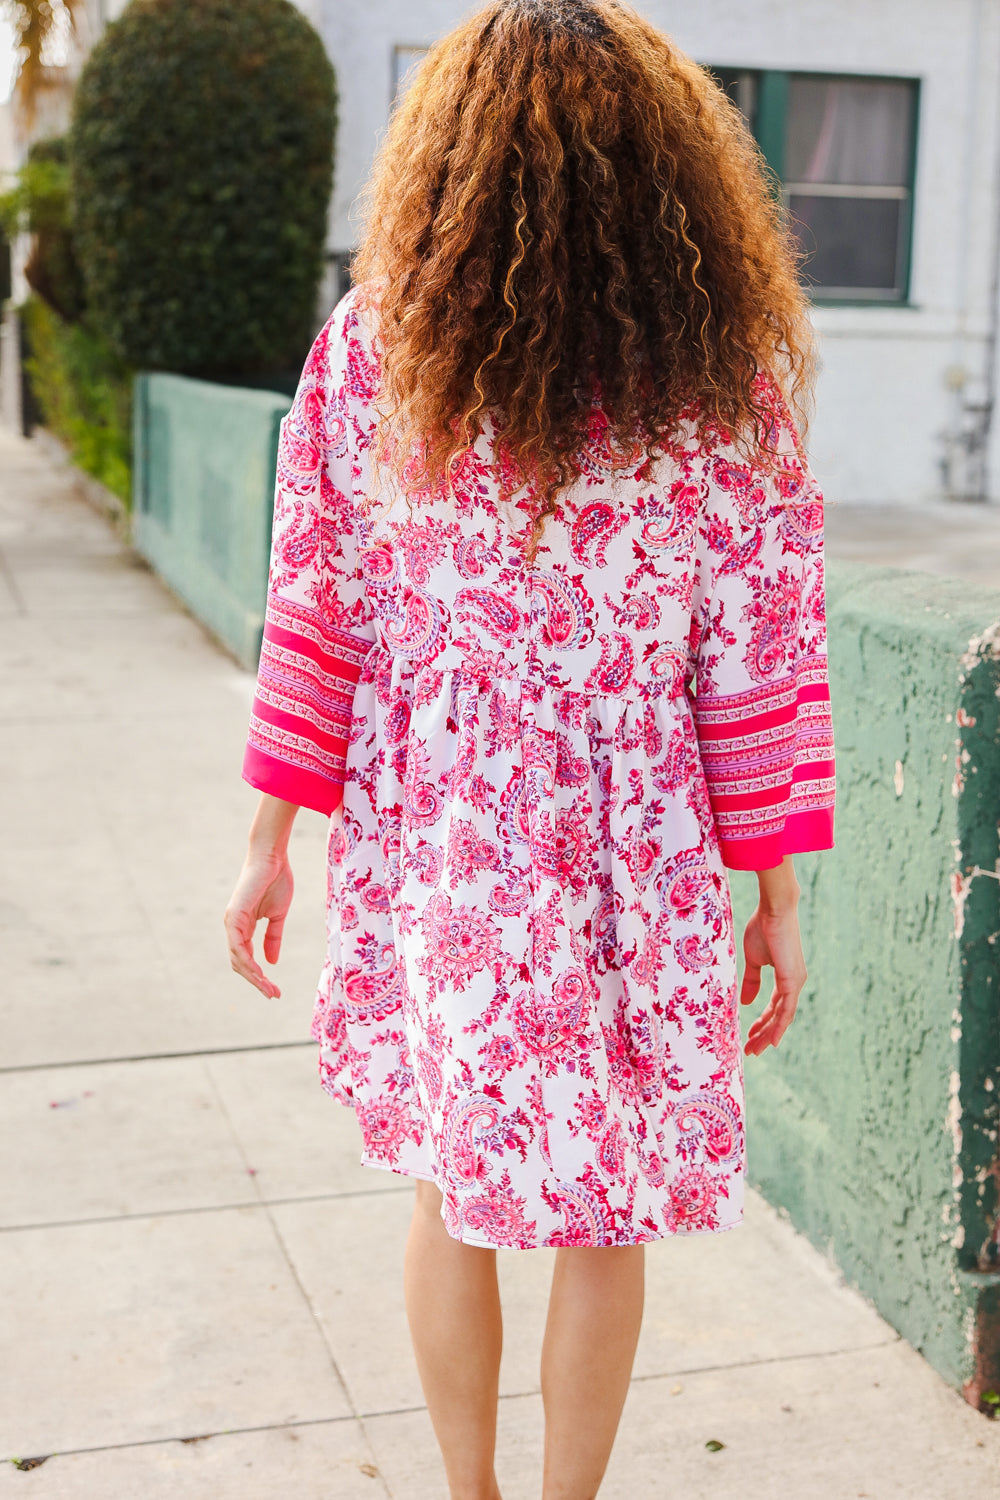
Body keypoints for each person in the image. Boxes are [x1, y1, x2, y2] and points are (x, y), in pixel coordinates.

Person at [225, 2, 835, 1495]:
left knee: (454, 1184)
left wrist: (268, 841)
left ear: (450, 160)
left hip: (448, 833)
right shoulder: (728, 382)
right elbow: (761, 649)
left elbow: (317, 600)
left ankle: (472, 1495)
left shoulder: (378, 352)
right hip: (638, 841)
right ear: (673, 170)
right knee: (605, 1213)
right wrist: (777, 889)